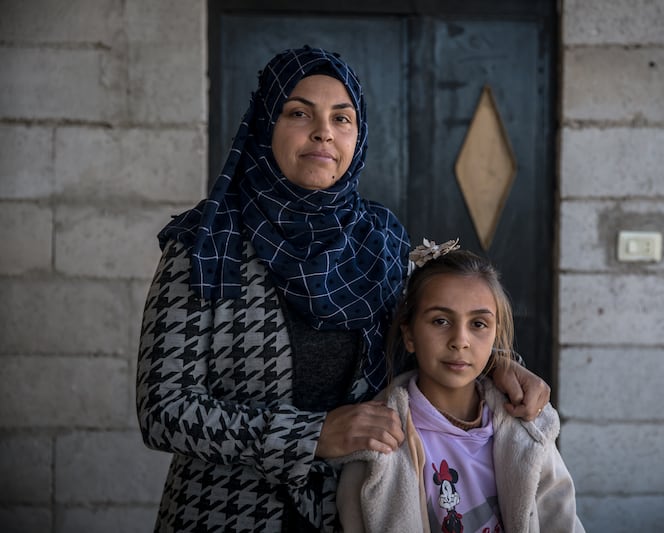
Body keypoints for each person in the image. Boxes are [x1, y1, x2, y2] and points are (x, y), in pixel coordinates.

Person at [137, 45, 550, 532]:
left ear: (359, 134)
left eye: (342, 118)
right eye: (299, 113)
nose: (323, 132)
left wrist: (500, 365)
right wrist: (311, 435)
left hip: (355, 511)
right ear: (265, 124)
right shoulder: (205, 245)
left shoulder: (379, 239)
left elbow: (423, 333)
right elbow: (162, 409)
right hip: (224, 513)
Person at [336, 240, 583, 533]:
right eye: (440, 321)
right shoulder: (378, 442)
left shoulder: (529, 430)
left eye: (478, 324)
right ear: (410, 335)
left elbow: (562, 520)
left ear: (495, 336)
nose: (460, 340)